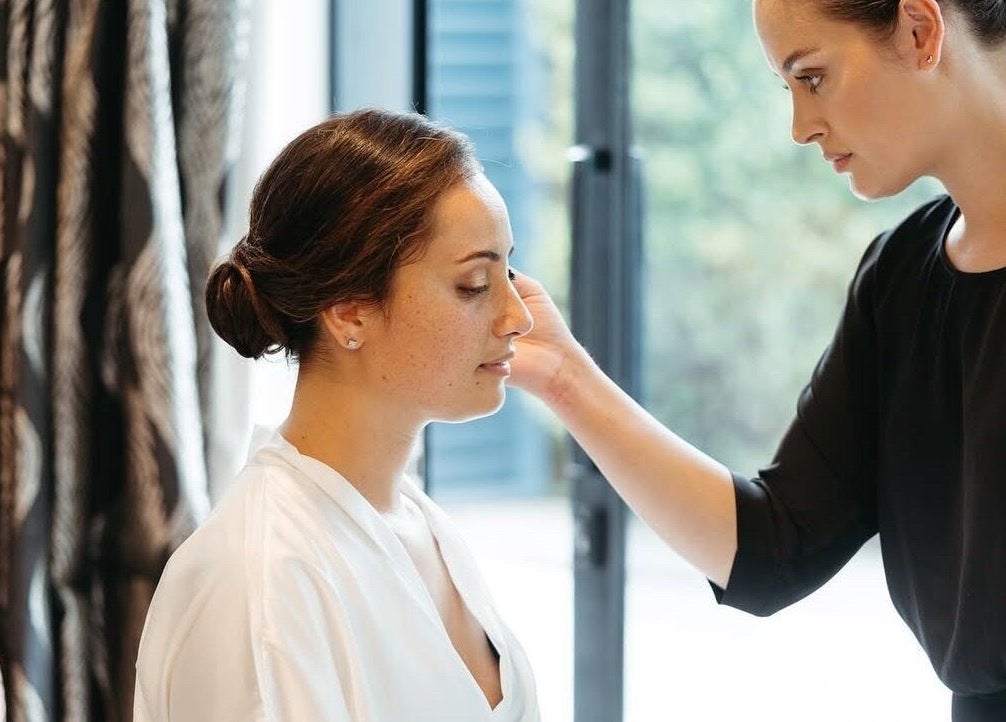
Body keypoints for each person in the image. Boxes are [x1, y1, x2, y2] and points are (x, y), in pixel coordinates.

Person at [508, 1, 1006, 720]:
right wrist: (563, 376)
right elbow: (773, 548)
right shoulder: (899, 280)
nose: (801, 127)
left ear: (922, 30)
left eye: (813, 78)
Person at [132, 109, 540, 722]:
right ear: (349, 312)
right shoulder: (260, 583)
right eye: (475, 284)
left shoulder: (423, 527)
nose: (521, 317)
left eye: (507, 271)